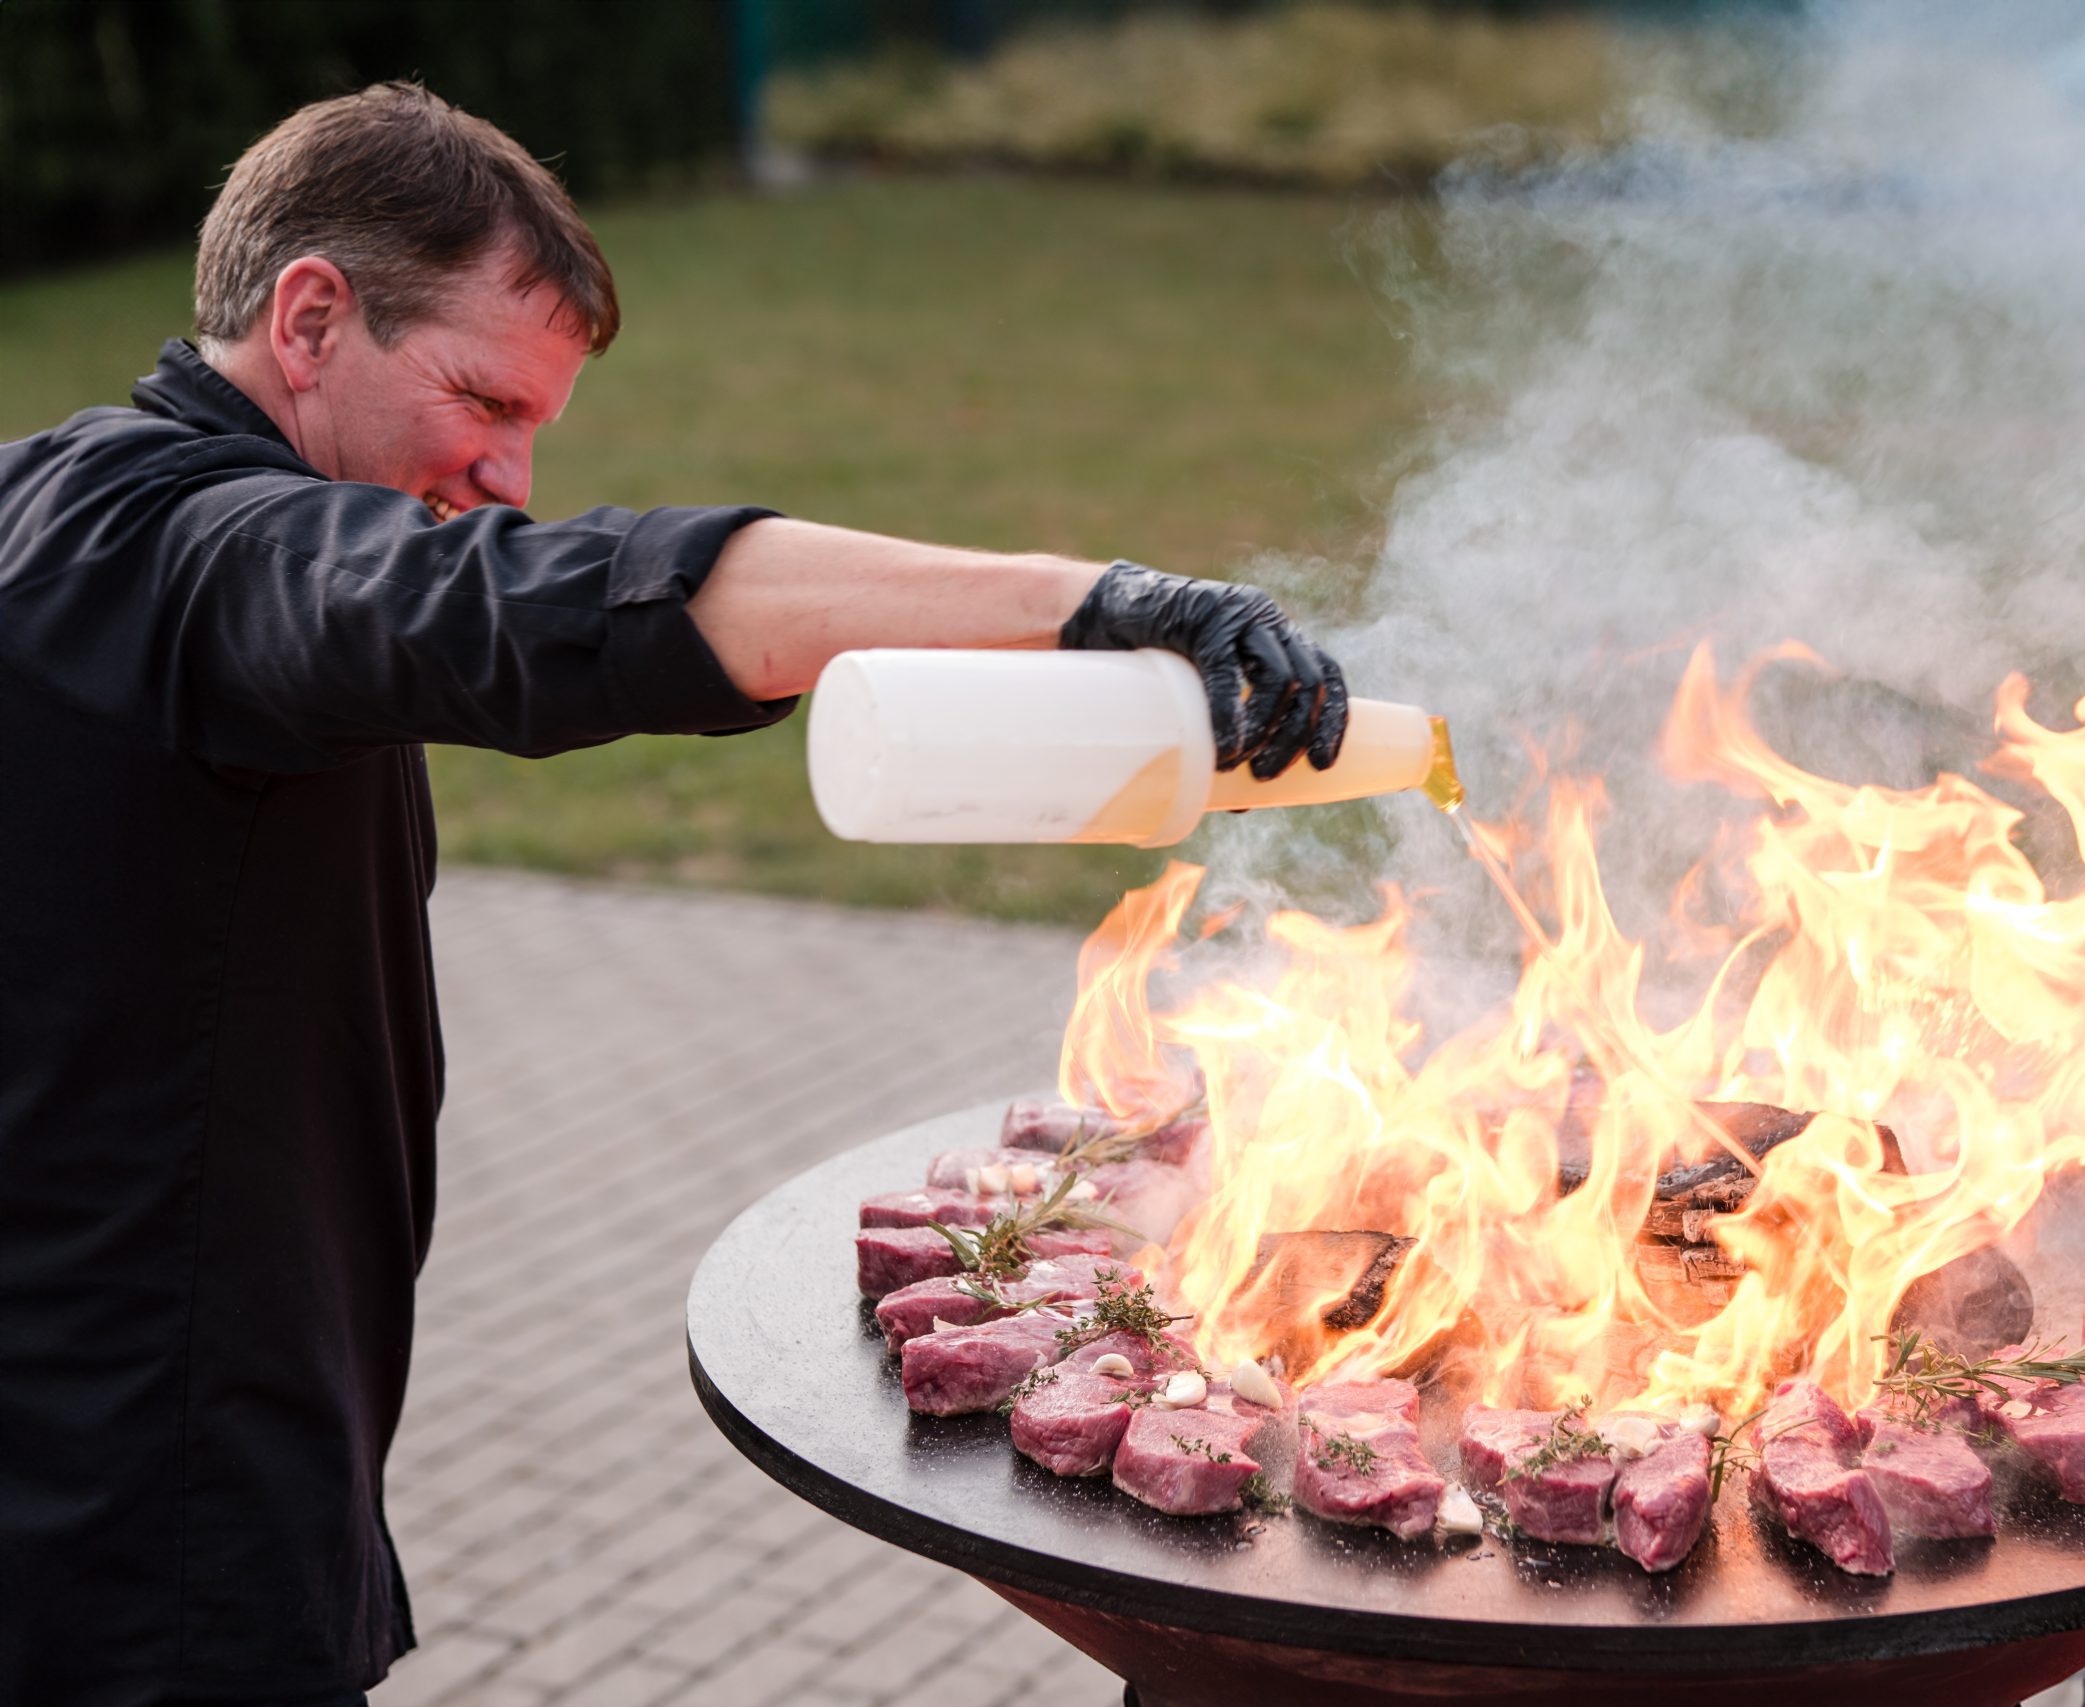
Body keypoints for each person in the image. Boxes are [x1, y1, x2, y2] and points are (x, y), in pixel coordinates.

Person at [0, 83, 1348, 1707]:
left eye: (534, 434)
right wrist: (1098, 604)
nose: (502, 478)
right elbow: (547, 603)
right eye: (481, 401)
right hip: (149, 1530)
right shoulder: (208, 559)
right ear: (309, 319)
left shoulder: (41, 501)